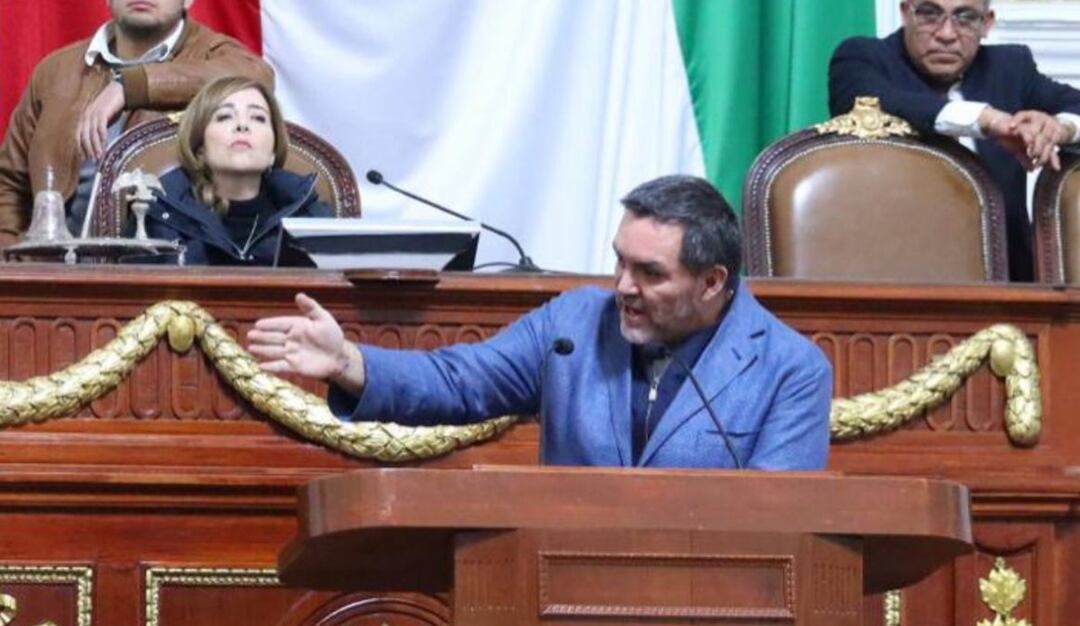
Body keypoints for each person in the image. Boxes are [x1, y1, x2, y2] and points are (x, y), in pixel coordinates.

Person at [247, 175, 832, 469]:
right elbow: (459, 381)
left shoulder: (790, 369)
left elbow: (779, 522)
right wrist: (348, 361)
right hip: (567, 602)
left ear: (712, 282)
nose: (623, 287)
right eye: (619, 261)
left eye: (651, 273)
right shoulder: (573, 324)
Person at [829, 0, 1080, 281]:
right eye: (929, 14)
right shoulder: (863, 58)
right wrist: (986, 120)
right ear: (905, 12)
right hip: (893, 277)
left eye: (965, 17)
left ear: (986, 23)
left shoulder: (1010, 67)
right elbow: (877, 100)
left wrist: (1061, 128)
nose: (947, 34)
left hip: (1011, 285)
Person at [0, 0, 273, 247]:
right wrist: (11, 269)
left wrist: (130, 86)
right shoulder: (55, 70)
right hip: (53, 278)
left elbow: (256, 77)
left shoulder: (214, 55)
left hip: (166, 273)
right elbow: (9, 184)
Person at [139, 76, 327, 266]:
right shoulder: (159, 212)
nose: (242, 125)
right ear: (200, 148)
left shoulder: (310, 216)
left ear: (273, 151)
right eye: (225, 116)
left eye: (258, 118)